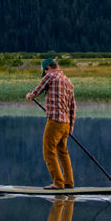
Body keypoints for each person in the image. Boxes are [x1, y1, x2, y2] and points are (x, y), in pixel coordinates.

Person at [27, 57, 76, 190]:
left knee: (48, 152)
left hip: (55, 121)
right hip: (66, 124)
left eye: (45, 71)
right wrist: (71, 126)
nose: (45, 74)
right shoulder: (68, 81)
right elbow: (73, 106)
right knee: (63, 153)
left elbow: (36, 92)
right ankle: (69, 182)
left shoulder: (51, 77)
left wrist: (30, 95)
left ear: (48, 68)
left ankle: (58, 183)